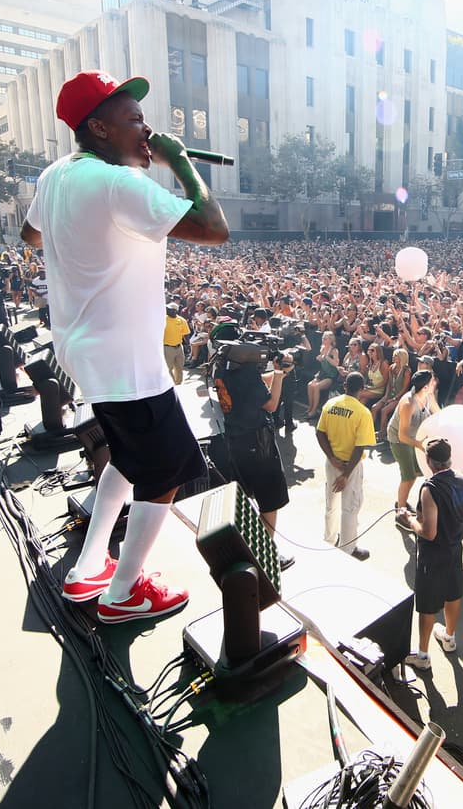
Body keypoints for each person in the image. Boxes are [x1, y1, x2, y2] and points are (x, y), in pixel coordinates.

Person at [23, 69, 229, 624]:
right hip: (125, 361)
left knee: (126, 455)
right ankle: (124, 591)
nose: (147, 129)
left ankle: (89, 565)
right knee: (164, 472)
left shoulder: (57, 175)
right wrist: (179, 162)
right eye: (133, 119)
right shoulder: (118, 184)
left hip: (86, 350)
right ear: (98, 127)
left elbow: (32, 235)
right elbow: (214, 227)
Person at [210, 333, 294, 566]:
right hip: (258, 443)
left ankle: (246, 544)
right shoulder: (247, 376)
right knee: (269, 498)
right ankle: (266, 554)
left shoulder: (223, 370)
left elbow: (255, 384)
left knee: (245, 496)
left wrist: (279, 374)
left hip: (235, 441)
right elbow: (271, 404)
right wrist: (278, 374)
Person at [400, 438, 463, 671]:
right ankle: (449, 638)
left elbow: (429, 532)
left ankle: (422, 655)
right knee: (453, 593)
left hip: (433, 555)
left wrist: (409, 519)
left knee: (427, 605)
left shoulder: (430, 489)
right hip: (454, 548)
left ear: (429, 461)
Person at [315, 372, 377, 560]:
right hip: (350, 466)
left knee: (330, 503)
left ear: (344, 386)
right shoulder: (362, 412)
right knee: (350, 507)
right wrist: (346, 474)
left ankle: (328, 538)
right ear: (362, 389)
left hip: (332, 463)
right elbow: (360, 447)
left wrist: (332, 457)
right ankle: (348, 549)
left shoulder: (330, 404)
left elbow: (320, 433)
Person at [386, 370, 438, 512]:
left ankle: (401, 501)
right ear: (425, 387)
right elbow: (402, 436)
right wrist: (421, 446)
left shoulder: (428, 396)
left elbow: (438, 414)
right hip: (399, 440)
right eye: (432, 381)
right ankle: (401, 511)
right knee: (408, 476)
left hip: (413, 438)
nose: (435, 382)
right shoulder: (408, 403)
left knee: (415, 473)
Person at [163, 302, 191, 385]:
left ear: (175, 311)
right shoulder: (163, 319)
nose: (167, 310)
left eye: (169, 309)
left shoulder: (182, 320)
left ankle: (177, 383)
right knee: (168, 368)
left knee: (179, 368)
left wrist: (188, 345)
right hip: (167, 347)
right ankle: (171, 384)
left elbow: (186, 334)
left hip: (179, 347)